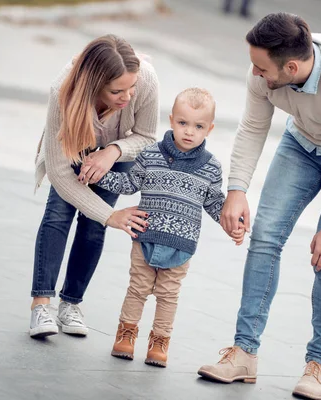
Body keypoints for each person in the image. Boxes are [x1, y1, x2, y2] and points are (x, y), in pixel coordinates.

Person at [197, 13, 321, 400]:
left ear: (291, 67)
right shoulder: (264, 70)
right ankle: (243, 354)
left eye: (261, 67)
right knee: (265, 237)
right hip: (302, 141)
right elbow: (253, 126)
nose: (255, 73)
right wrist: (236, 190)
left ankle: (319, 365)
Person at [89, 88, 245, 367]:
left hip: (181, 244)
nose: (189, 131)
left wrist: (232, 225)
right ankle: (126, 333)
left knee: (168, 295)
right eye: (183, 123)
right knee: (137, 288)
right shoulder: (150, 155)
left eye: (198, 126)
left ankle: (160, 340)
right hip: (145, 235)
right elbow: (128, 184)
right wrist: (96, 175)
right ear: (172, 120)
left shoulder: (211, 168)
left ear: (209, 129)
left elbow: (214, 204)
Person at [29, 34, 159, 339]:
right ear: (94, 85)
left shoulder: (147, 79)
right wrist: (111, 215)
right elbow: (60, 174)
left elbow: (145, 136)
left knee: (92, 224)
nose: (127, 96)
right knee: (58, 216)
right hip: (73, 147)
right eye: (117, 91)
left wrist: (111, 151)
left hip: (118, 151)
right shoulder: (64, 90)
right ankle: (40, 305)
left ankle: (71, 304)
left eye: (132, 87)